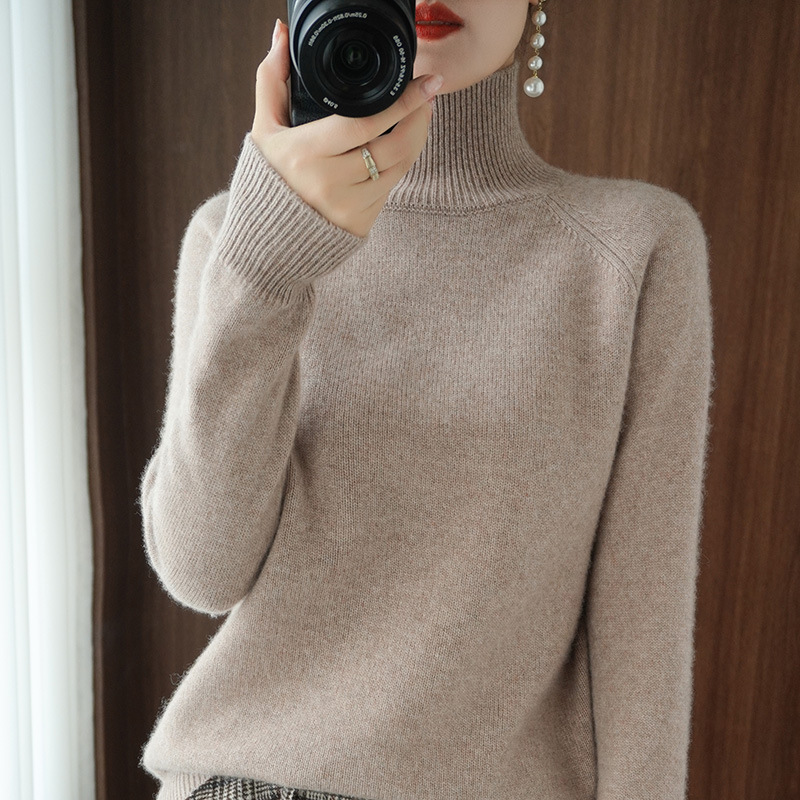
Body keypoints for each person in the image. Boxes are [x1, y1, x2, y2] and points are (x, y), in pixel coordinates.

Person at [138, 1, 715, 799]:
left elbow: (642, 633)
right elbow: (202, 570)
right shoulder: (240, 241)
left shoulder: (632, 249)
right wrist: (264, 267)